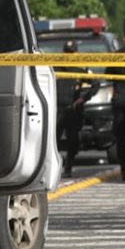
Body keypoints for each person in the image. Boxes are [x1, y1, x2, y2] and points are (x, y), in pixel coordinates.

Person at [56, 39, 96, 179]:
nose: (69, 55)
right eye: (67, 52)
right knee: (52, 140)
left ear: (77, 53)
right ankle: (54, 166)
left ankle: (68, 167)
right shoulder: (54, 66)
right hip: (57, 109)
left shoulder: (83, 68)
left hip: (73, 109)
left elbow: (95, 84)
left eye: (72, 52)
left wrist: (83, 99)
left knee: (73, 141)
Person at [107, 36, 125, 181]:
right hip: (121, 98)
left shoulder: (117, 55)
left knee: (121, 137)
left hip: (120, 98)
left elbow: (108, 75)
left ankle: (124, 170)